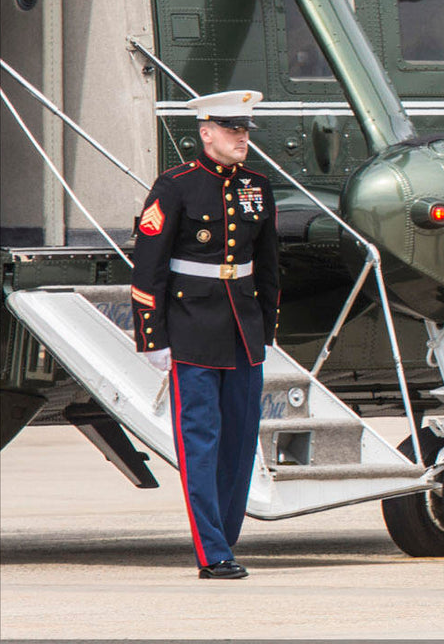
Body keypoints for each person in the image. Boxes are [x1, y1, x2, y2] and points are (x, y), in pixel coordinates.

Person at [129, 90, 279, 580]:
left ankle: (224, 538)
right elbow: (149, 265)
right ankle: (212, 552)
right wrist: (152, 337)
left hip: (242, 329)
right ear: (206, 132)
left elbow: (269, 265)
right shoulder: (176, 186)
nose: (242, 138)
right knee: (201, 443)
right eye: (233, 130)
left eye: (245, 130)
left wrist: (267, 329)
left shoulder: (258, 186)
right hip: (192, 327)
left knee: (240, 441)